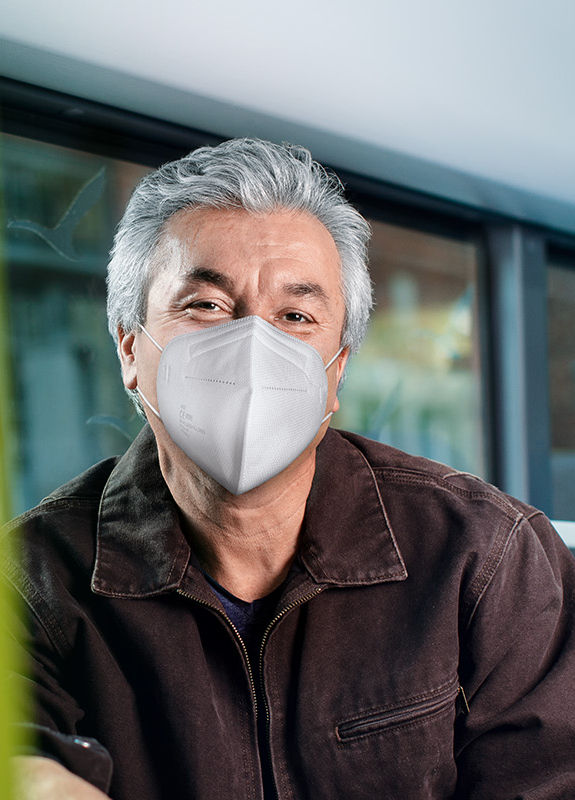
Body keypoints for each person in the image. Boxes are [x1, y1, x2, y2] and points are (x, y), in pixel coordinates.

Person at [3, 138, 575, 800]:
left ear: (336, 373)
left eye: (296, 316)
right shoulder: (30, 578)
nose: (252, 346)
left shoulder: (486, 557)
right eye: (205, 306)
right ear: (131, 348)